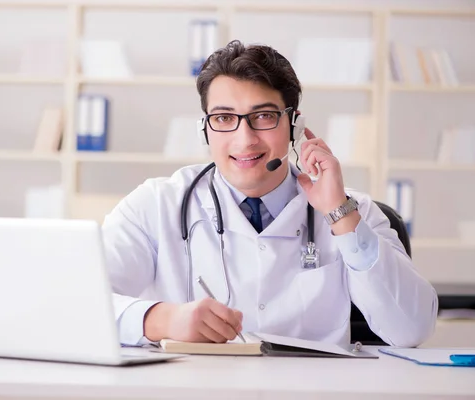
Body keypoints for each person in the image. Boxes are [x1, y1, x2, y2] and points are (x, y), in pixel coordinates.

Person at [101, 40, 438, 348]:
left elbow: (411, 330)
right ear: (206, 127)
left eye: (263, 116)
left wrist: (340, 215)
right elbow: (75, 300)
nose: (244, 139)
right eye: (223, 118)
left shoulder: (353, 209)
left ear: (295, 124)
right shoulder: (156, 204)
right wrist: (161, 319)